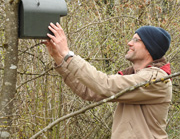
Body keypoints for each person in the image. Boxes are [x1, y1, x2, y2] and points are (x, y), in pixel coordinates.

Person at [44, 22, 172, 139]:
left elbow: (105, 85)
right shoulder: (132, 76)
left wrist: (67, 54)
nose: (129, 43)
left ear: (150, 48)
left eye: (136, 40)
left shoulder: (156, 80)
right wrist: (59, 57)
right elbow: (89, 90)